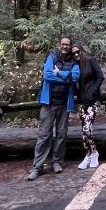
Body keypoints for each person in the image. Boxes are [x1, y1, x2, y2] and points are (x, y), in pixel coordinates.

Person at [27, 36, 80, 180]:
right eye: (63, 44)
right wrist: (66, 78)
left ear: (70, 46)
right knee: (44, 135)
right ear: (59, 45)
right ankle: (37, 167)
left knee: (61, 134)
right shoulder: (52, 56)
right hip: (48, 103)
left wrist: (60, 73)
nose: (65, 46)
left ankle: (57, 162)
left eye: (67, 44)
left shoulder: (74, 61)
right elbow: (47, 75)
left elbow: (75, 78)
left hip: (64, 104)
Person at [72, 43, 105, 169]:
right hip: (82, 101)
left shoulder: (90, 60)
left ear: (82, 50)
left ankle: (94, 153)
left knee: (87, 129)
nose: (76, 54)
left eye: (78, 51)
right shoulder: (75, 66)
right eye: (73, 53)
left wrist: (93, 92)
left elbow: (100, 77)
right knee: (83, 132)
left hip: (92, 101)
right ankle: (88, 155)